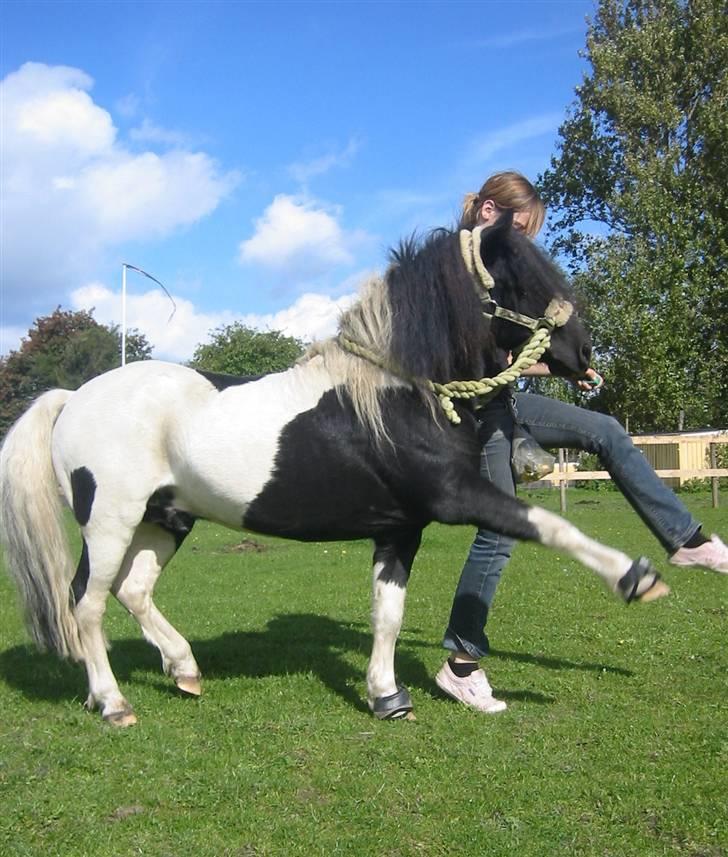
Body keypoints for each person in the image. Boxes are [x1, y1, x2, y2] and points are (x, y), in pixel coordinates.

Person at [434, 171, 728, 714]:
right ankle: (461, 665)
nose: (523, 245)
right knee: (499, 531)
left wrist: (564, 369)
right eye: (519, 230)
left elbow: (510, 361)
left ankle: (685, 540)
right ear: (488, 212)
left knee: (607, 430)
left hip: (508, 401)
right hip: (474, 413)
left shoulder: (501, 271)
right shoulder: (452, 271)